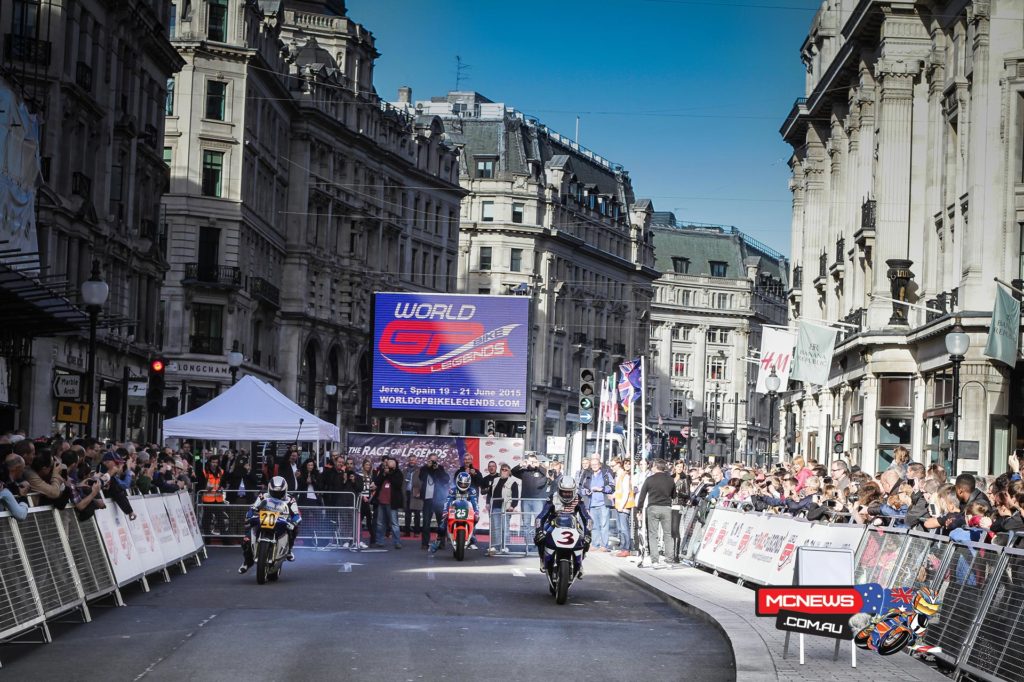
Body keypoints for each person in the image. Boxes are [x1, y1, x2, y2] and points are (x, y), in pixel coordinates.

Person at [239, 476, 301, 574]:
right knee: (246, 538)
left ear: (285, 490)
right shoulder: (263, 496)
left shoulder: (290, 499)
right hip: (264, 519)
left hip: (281, 521)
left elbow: (297, 515)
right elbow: (253, 507)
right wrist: (249, 515)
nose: (277, 495)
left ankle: (288, 550)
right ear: (269, 489)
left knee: (295, 528)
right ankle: (247, 561)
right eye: (274, 492)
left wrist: (294, 522)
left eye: (279, 492)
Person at [533, 475, 592, 574]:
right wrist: (539, 531)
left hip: (573, 524)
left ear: (574, 491)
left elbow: (587, 518)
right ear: (559, 490)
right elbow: (541, 517)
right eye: (564, 492)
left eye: (569, 492)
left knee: (585, 540)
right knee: (539, 539)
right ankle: (543, 560)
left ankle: (580, 562)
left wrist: (588, 534)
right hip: (553, 523)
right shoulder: (552, 498)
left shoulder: (578, 499)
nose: (566, 494)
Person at [636, 459, 675, 567]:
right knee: (668, 534)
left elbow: (642, 496)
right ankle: (669, 561)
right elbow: (674, 495)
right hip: (666, 508)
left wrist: (639, 509)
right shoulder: (670, 480)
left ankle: (655, 561)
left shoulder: (649, 479)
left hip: (653, 507)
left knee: (653, 535)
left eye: (652, 466)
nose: (651, 468)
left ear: (656, 467)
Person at [434, 470, 479, 552]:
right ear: (458, 482)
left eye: (465, 484)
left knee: (476, 519)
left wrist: (476, 512)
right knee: (442, 524)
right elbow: (447, 501)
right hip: (454, 510)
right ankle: (438, 541)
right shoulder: (452, 490)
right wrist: (445, 511)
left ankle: (472, 536)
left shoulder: (472, 491)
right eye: (461, 483)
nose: (463, 485)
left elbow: (474, 502)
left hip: (467, 510)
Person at [578, 456, 615, 552]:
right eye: (592, 465)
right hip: (592, 503)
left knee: (604, 525)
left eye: (596, 464)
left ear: (599, 465)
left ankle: (604, 546)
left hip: (603, 503)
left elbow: (612, 486)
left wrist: (601, 489)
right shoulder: (587, 474)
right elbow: (581, 488)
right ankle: (594, 544)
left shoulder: (605, 473)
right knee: (594, 525)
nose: (594, 466)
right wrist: (587, 491)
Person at [511, 453, 549, 544]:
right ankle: (528, 544)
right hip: (525, 500)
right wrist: (521, 465)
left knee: (538, 522)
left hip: (538, 501)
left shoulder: (541, 471)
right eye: (530, 461)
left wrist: (538, 465)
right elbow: (513, 472)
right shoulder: (524, 471)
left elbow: (546, 474)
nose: (531, 463)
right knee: (526, 523)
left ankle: (538, 543)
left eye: (533, 461)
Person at [419, 454, 450, 550]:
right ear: (428, 460)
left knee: (440, 522)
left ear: (437, 460)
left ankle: (441, 543)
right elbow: (421, 478)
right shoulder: (424, 468)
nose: (433, 463)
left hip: (438, 499)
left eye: (434, 461)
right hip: (428, 499)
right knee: (426, 522)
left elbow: (446, 480)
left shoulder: (440, 468)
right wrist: (428, 468)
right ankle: (425, 543)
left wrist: (437, 469)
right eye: (431, 461)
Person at [372, 457, 404, 549]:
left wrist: (389, 474)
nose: (387, 465)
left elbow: (397, 484)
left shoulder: (398, 473)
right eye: (386, 464)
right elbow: (377, 482)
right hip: (381, 501)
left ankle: (397, 542)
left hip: (392, 503)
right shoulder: (383, 473)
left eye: (389, 464)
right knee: (380, 523)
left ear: (394, 465)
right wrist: (383, 473)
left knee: (394, 523)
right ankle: (379, 541)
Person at [488, 463, 519, 554]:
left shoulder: (513, 482)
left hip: (506, 508)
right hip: (495, 507)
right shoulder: (495, 480)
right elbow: (490, 493)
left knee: (505, 528)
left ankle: (505, 546)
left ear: (509, 472)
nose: (504, 471)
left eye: (506, 470)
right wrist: (487, 503)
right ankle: (494, 546)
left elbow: (515, 497)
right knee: (495, 527)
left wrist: (512, 506)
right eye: (502, 469)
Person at [611, 458, 635, 558]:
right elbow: (619, 491)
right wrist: (614, 495)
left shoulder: (624, 476)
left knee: (624, 528)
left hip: (624, 506)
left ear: (618, 465)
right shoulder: (619, 476)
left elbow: (626, 492)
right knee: (621, 528)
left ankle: (626, 548)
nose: (611, 468)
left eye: (613, 466)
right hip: (619, 505)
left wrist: (621, 505)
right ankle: (623, 548)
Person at [402, 455, 422, 536]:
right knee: (407, 514)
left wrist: (420, 492)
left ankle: (416, 532)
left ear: (416, 461)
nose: (412, 461)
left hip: (416, 493)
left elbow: (423, 482)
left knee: (417, 514)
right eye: (410, 460)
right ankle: (407, 532)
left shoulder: (420, 471)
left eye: (413, 460)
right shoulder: (405, 471)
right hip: (407, 494)